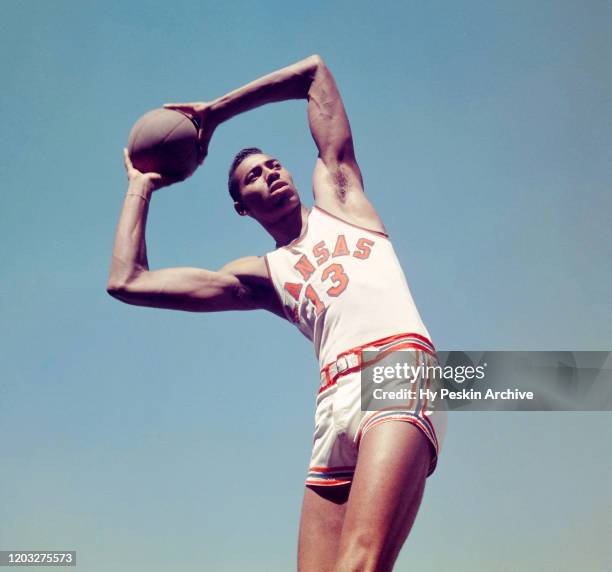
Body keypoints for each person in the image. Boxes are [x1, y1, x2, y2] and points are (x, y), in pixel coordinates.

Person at [107, 54, 445, 572]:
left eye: (272, 165)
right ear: (242, 206)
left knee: (360, 563)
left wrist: (213, 114)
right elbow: (127, 280)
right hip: (333, 402)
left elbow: (313, 74)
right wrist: (141, 185)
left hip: (397, 366)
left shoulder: (340, 197)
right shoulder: (262, 277)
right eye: (253, 179)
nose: (270, 175)